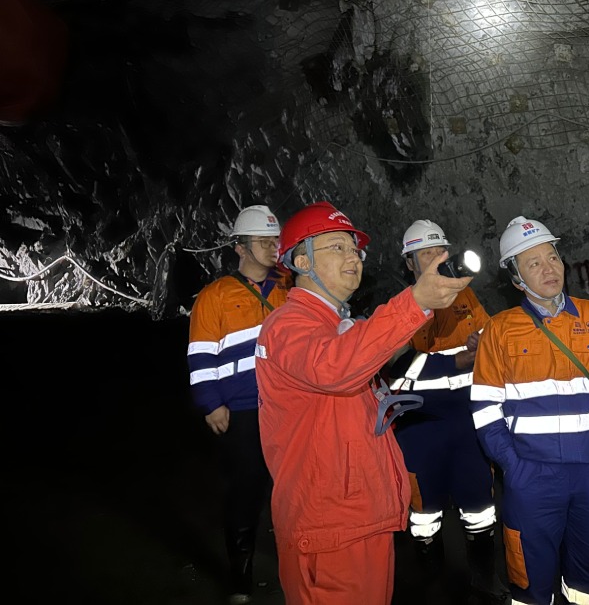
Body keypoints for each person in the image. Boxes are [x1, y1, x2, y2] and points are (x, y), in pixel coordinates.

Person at [253, 201, 473, 605]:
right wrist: (415, 302)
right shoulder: (286, 325)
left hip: (358, 516)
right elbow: (334, 367)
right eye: (337, 247)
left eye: (355, 249)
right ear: (302, 261)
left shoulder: (336, 324)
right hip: (330, 527)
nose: (353, 257)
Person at [470, 215, 589, 605]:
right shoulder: (500, 329)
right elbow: (485, 409)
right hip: (533, 471)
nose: (549, 269)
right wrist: (513, 466)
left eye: (553, 257)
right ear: (517, 279)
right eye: (534, 263)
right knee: (530, 573)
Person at [388, 219, 507, 604]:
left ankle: (484, 581)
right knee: (425, 514)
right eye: (425, 254)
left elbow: (488, 339)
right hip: (421, 426)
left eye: (440, 252)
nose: (436, 259)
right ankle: (433, 586)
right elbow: (395, 367)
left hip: (467, 421)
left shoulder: (466, 297)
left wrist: (481, 342)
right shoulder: (399, 307)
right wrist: (457, 360)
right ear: (410, 263)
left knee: (480, 507)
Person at [186, 204, 290, 605]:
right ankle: (240, 580)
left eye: (274, 240)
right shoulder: (214, 296)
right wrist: (210, 403)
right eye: (262, 241)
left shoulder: (289, 289)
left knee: (291, 487)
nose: (271, 247)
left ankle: (294, 566)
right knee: (245, 490)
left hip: (285, 407)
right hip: (242, 410)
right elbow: (201, 355)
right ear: (240, 247)